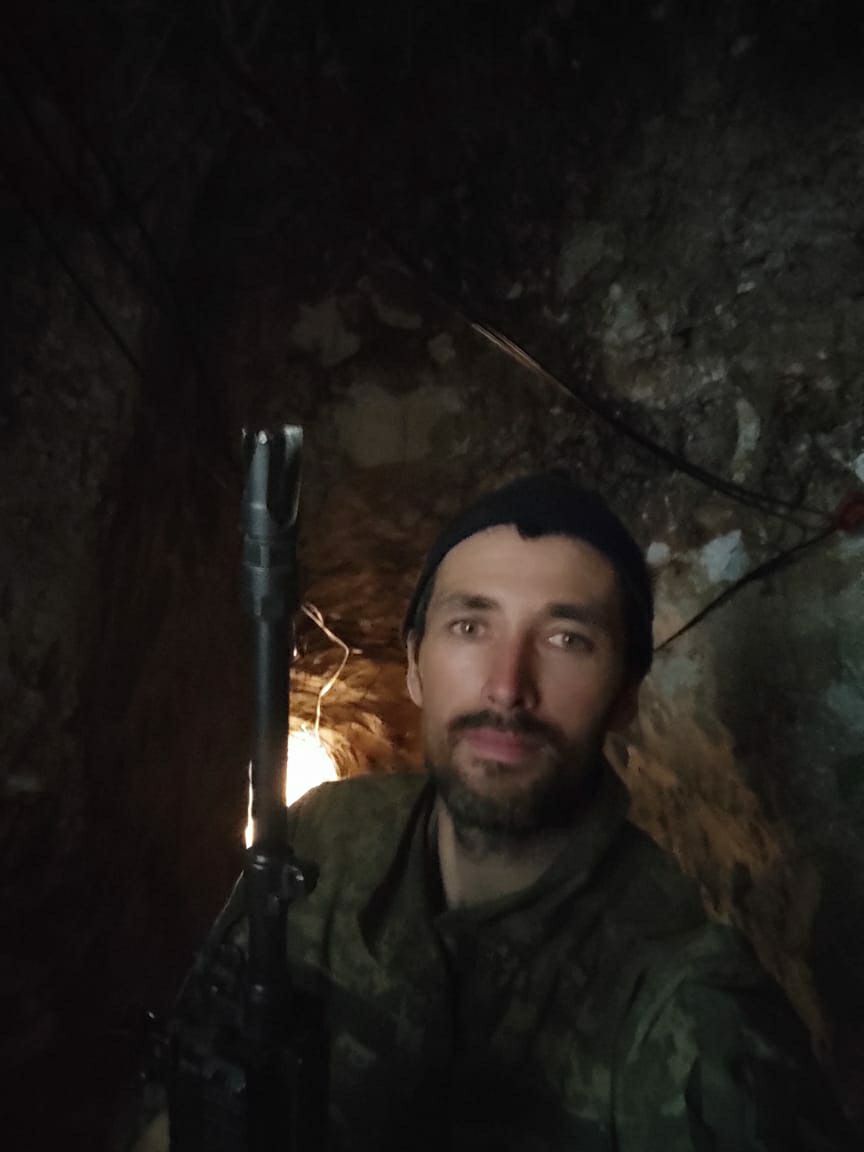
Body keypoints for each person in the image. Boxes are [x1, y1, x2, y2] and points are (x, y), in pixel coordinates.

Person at [132, 472, 855, 1151]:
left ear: (625, 695)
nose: (508, 687)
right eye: (470, 627)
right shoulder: (324, 834)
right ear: (415, 665)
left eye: (567, 639)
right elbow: (180, 1093)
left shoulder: (693, 1018)